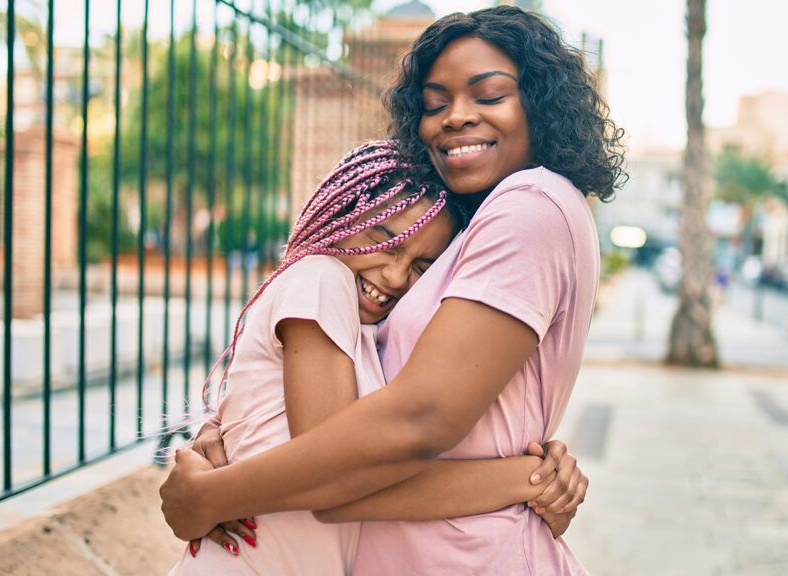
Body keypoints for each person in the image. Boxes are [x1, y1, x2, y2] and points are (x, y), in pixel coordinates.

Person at [160, 6, 625, 574]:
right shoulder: (451, 236)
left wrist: (216, 494)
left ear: (542, 103)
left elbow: (410, 422)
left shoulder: (530, 203)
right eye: (434, 104)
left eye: (489, 95)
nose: (454, 117)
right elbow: (354, 400)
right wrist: (235, 427)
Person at [168, 140, 582, 575]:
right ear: (341, 217)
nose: (395, 275)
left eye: (423, 266)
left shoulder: (367, 327)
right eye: (385, 240)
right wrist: (528, 478)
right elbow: (335, 474)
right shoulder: (320, 279)